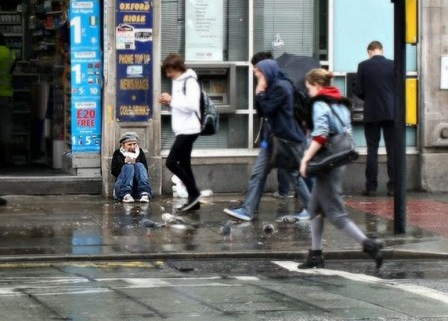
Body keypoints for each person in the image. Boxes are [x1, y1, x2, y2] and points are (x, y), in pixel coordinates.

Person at [298, 68, 384, 269]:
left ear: (317, 85)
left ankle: (368, 245)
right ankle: (316, 254)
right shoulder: (341, 103)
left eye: (309, 87)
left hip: (326, 160)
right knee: (314, 207)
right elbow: (347, 131)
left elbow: (320, 136)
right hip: (338, 157)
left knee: (335, 212)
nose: (308, 91)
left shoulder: (319, 104)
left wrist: (305, 159)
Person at [223, 57, 311, 222]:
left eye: (259, 74)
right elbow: (262, 112)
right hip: (273, 141)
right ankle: (248, 210)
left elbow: (267, 109)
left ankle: (312, 208)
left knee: (294, 176)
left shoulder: (281, 87)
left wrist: (260, 92)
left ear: (268, 72)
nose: (258, 77)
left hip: (287, 140)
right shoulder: (273, 86)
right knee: (258, 174)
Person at [159, 53, 204, 213]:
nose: (167, 74)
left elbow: (191, 106)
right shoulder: (178, 82)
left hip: (189, 129)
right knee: (185, 164)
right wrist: (169, 104)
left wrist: (171, 100)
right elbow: (181, 107)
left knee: (171, 162)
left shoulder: (190, 82)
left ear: (178, 68)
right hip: (182, 129)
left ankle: (195, 193)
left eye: (170, 71)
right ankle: (194, 200)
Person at [353, 40, 395, 197]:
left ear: (370, 51)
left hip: (371, 113)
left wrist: (369, 98)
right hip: (391, 113)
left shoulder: (363, 66)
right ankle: (393, 187)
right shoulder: (393, 65)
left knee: (372, 150)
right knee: (392, 150)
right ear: (381, 50)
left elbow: (358, 90)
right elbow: (400, 88)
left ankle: (371, 187)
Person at [111, 131, 152, 203]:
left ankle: (145, 193)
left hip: (137, 190)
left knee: (139, 165)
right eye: (129, 144)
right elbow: (114, 172)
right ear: (123, 145)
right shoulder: (117, 153)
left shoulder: (140, 152)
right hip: (122, 188)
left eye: (134, 144)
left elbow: (145, 170)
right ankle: (126, 194)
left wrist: (135, 163)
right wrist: (124, 163)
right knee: (128, 167)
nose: (132, 147)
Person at [0, 28, 15, 167]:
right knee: (5, 127)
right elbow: (11, 71)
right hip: (6, 94)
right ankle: (7, 158)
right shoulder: (10, 54)